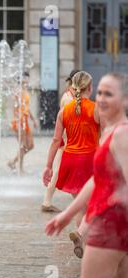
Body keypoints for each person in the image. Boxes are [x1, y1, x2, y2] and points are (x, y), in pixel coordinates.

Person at [45, 73, 128, 278]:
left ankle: (83, 230)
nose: (101, 98)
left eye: (108, 94)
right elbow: (97, 180)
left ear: (124, 99)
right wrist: (67, 215)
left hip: (110, 228)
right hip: (113, 227)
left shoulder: (121, 135)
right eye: (99, 92)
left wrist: (98, 216)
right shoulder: (111, 131)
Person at [43, 71, 100, 258]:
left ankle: (82, 241)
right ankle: (85, 237)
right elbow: (107, 136)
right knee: (95, 205)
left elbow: (55, 141)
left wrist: (48, 166)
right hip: (90, 160)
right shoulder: (96, 109)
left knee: (80, 205)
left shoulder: (64, 111)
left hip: (70, 160)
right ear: (90, 88)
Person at [41, 69, 81, 213]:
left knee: (59, 171)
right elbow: (66, 120)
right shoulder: (68, 98)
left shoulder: (70, 95)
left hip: (67, 138)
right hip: (67, 138)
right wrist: (68, 139)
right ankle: (79, 202)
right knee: (60, 171)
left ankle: (47, 202)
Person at [8, 72, 38, 174]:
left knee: (30, 145)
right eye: (24, 78)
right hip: (19, 121)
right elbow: (15, 107)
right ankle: (20, 168)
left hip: (24, 120)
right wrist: (17, 120)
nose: (26, 80)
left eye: (27, 78)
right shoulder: (18, 91)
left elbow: (26, 108)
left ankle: (13, 162)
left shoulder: (25, 91)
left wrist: (33, 119)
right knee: (23, 145)